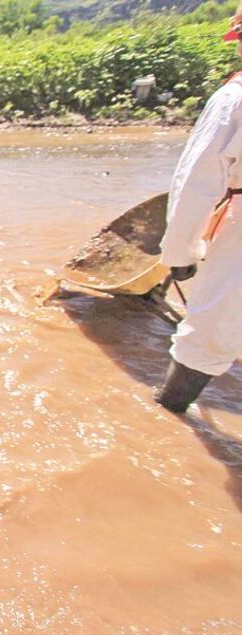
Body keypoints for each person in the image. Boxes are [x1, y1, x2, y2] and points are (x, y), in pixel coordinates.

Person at [155, 10, 242, 412]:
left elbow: (196, 187)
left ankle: (165, 415)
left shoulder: (235, 98)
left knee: (210, 327)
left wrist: (180, 256)